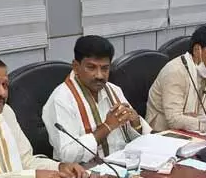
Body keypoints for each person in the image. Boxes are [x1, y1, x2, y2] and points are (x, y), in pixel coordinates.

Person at [42, 35, 151, 164]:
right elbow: (67, 155)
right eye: (91, 67)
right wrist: (107, 127)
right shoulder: (61, 100)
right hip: (84, 175)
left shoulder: (114, 90)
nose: (99, 75)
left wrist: (136, 123)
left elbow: (134, 137)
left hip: (121, 165)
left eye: (105, 68)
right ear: (76, 67)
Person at [146, 25, 206, 134]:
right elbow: (174, 120)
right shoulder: (175, 71)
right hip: (162, 132)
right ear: (197, 50)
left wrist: (202, 120)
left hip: (197, 131)